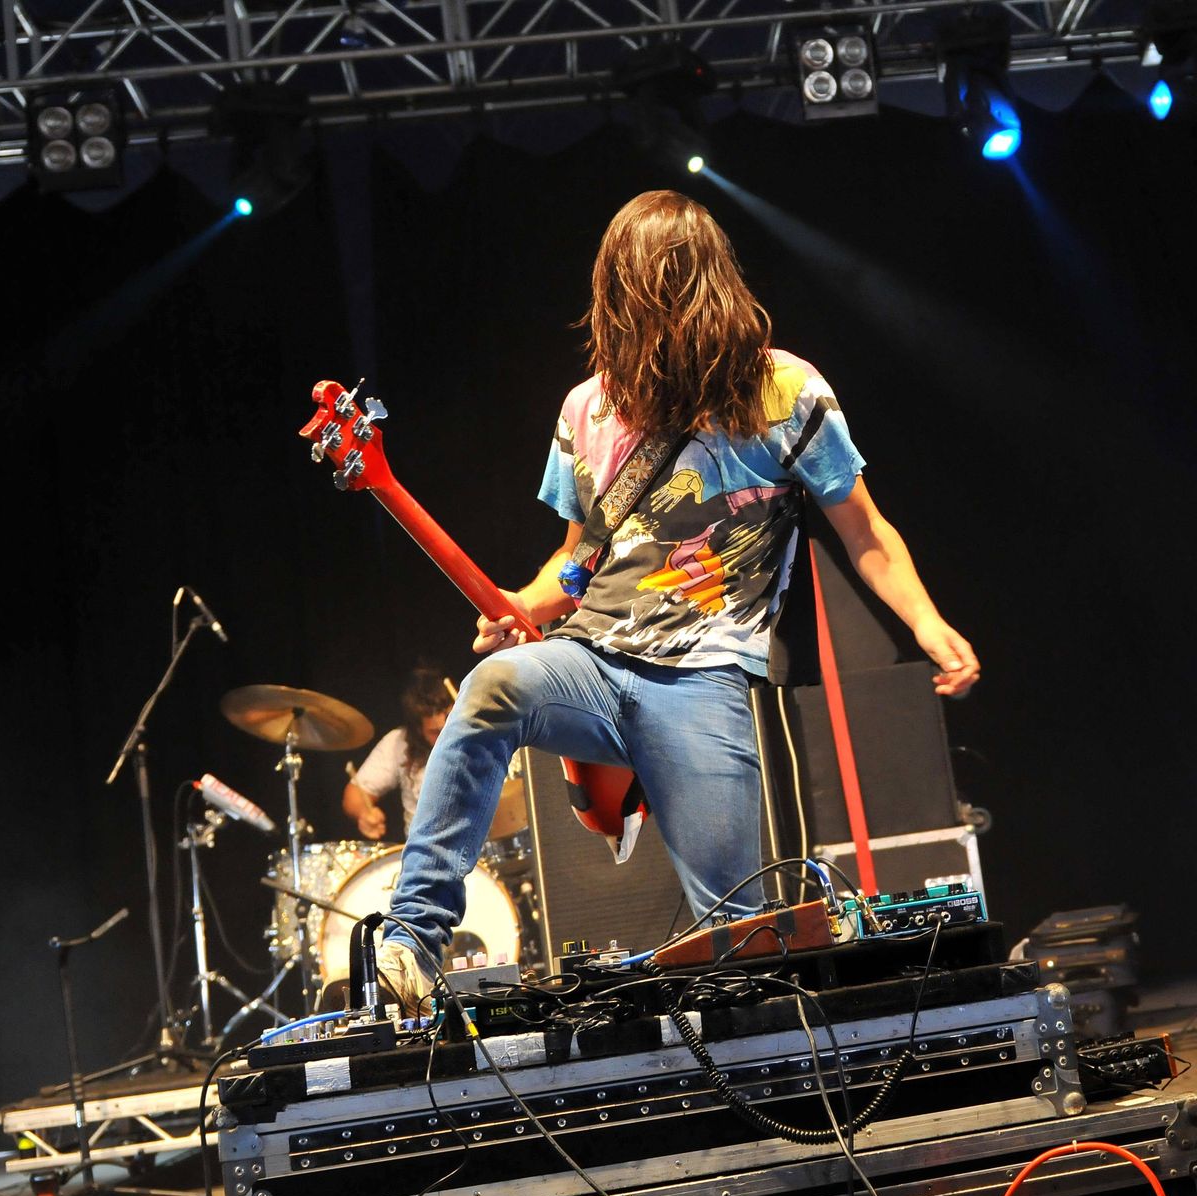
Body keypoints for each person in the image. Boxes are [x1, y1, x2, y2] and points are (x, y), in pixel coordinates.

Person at [375, 190, 979, 1012]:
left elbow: (864, 531)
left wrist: (927, 622)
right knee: (493, 687)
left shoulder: (785, 391)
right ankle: (412, 940)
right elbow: (578, 560)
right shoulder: (586, 407)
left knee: (737, 938)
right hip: (592, 659)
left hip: (702, 679)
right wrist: (521, 603)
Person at [342, 668, 454, 841]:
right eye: (435, 732)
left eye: (451, 725)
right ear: (418, 729)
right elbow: (355, 794)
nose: (445, 735)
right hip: (425, 851)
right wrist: (365, 814)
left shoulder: (483, 733)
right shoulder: (399, 742)